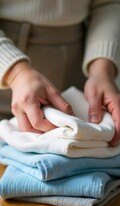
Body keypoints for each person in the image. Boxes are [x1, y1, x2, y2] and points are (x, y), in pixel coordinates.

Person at [0, 0, 120, 146]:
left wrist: (102, 70)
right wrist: (15, 74)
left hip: (80, 60)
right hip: (7, 62)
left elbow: (108, 3)